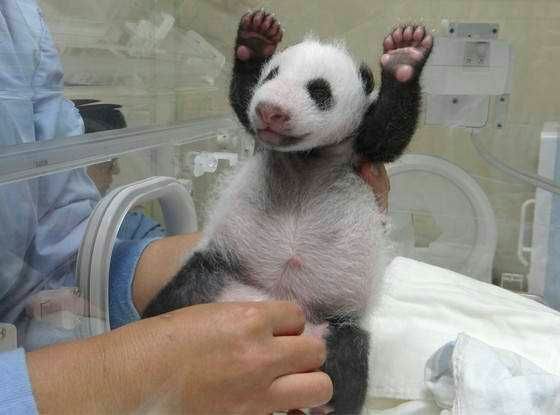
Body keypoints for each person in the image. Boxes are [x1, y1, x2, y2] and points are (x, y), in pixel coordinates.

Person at [0, 1, 390, 413]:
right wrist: (131, 370)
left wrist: (266, 249)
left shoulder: (17, 18)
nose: (273, 107)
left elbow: (57, 243)